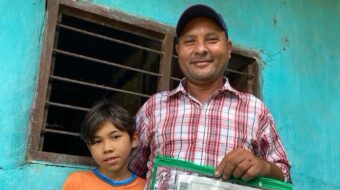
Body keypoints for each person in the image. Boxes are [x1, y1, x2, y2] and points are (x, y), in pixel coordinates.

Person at [129, 4, 291, 189]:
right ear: (178, 50)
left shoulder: (255, 109)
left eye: (212, 39)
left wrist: (264, 167)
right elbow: (131, 172)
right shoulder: (153, 108)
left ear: (228, 48)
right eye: (190, 41)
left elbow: (284, 177)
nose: (201, 49)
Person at [62, 99, 145, 190]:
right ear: (89, 148)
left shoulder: (145, 187)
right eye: (97, 141)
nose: (107, 148)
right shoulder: (77, 183)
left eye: (115, 137)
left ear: (133, 139)